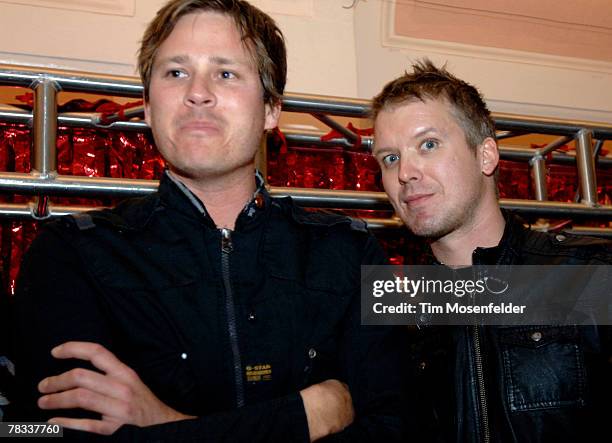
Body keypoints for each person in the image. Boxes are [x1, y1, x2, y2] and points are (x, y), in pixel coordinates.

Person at [9, 1, 405, 441]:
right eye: (176, 72)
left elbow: (396, 427)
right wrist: (308, 415)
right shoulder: (70, 253)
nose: (198, 92)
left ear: (272, 109)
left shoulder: (349, 252)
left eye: (226, 73)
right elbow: (37, 434)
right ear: (146, 104)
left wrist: (164, 426)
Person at [371, 59, 612, 442]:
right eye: (390, 158)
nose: (405, 173)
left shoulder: (588, 274)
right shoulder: (397, 315)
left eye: (428, 144)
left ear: (486, 155)